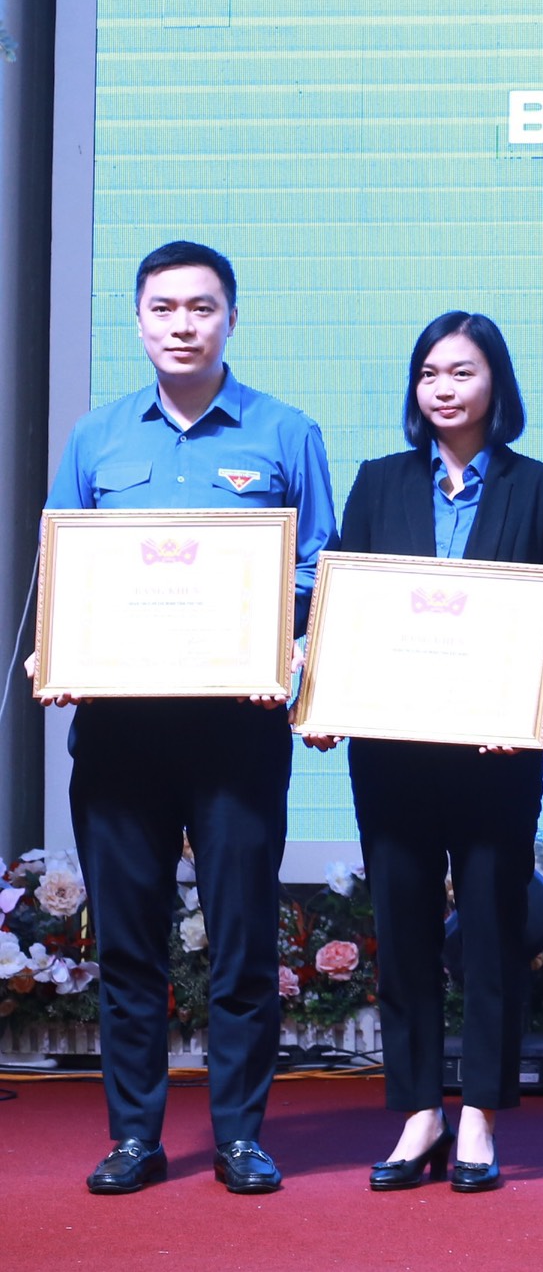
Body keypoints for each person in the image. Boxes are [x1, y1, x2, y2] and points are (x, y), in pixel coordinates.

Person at [31, 241, 335, 1195]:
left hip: (236, 731)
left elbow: (318, 565)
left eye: (201, 308)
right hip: (120, 734)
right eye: (163, 308)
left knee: (243, 942)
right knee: (129, 945)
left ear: (231, 319)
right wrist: (55, 649)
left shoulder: (286, 431)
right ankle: (135, 1137)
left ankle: (241, 1136)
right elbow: (63, 564)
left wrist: (271, 633)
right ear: (137, 321)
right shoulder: (97, 438)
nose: (182, 325)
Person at [299, 313, 543, 1192]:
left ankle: (482, 1114)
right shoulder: (379, 481)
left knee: (492, 930)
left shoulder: (542, 488)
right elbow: (342, 607)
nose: (444, 388)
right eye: (429, 373)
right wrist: (324, 698)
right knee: (405, 928)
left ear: (497, 382)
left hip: (497, 753)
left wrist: (532, 705)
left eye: (462, 371)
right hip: (392, 751)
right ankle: (420, 1111)